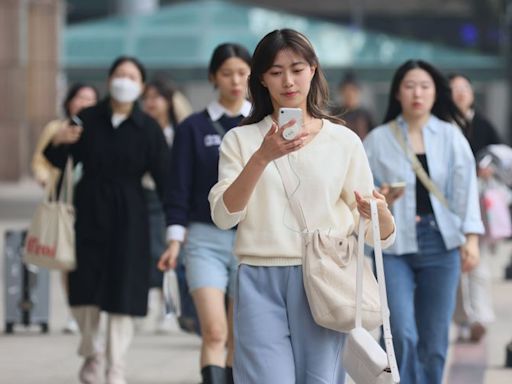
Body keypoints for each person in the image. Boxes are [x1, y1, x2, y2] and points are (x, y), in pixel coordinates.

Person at [208, 29, 395, 384]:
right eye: (276, 72)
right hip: (260, 275)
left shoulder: (343, 140)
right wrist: (262, 157)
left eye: (297, 69)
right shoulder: (240, 140)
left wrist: (381, 214)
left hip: (326, 277)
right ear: (261, 79)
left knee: (321, 379)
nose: (288, 81)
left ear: (313, 70)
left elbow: (378, 235)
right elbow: (223, 215)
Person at [43, 56, 171, 384]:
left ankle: (116, 365)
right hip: (89, 209)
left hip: (131, 214)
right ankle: (91, 350)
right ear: (109, 79)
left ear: (141, 86)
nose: (124, 81)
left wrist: (176, 226)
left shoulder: (148, 128)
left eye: (131, 76)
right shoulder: (87, 118)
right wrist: (57, 141)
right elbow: (58, 160)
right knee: (85, 289)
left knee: (123, 291)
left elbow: (166, 179)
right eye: (119, 74)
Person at [363, 60, 484, 384]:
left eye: (425, 86)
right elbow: (360, 191)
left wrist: (470, 240)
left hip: (440, 243)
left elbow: (466, 191)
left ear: (435, 94)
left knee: (433, 341)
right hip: (392, 244)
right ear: (397, 93)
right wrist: (380, 199)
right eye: (409, 85)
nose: (417, 92)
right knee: (400, 333)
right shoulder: (376, 140)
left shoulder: (451, 136)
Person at [157, 43, 252, 384]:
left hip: (252, 240)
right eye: (227, 74)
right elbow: (177, 189)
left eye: (242, 73)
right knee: (214, 331)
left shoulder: (262, 125)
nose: (235, 81)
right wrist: (174, 241)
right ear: (214, 77)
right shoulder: (192, 128)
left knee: (240, 337)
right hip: (204, 238)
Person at [31, 82, 99, 334]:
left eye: (91, 99)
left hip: (93, 201)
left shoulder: (99, 129)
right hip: (64, 199)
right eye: (80, 98)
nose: (85, 103)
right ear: (70, 101)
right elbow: (40, 158)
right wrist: (43, 176)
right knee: (68, 257)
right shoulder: (56, 128)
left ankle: (92, 308)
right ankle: (74, 311)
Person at [449, 73, 502, 342]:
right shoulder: (440, 127)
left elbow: (501, 156)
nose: (460, 93)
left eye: (464, 88)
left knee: (477, 263)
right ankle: (464, 319)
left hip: (478, 204)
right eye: (454, 89)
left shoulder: (483, 125)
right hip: (448, 206)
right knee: (456, 266)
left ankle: (479, 316)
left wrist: (489, 169)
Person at [141, 78, 192, 333]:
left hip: (171, 199)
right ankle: (152, 306)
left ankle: (169, 309)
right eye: (147, 97)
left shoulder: (179, 130)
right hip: (144, 196)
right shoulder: (140, 129)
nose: (151, 102)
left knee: (168, 252)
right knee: (148, 251)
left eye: (156, 97)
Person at [330, 71, 374, 139]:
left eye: (353, 90)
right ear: (341, 92)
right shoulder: (335, 114)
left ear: (358, 91)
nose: (350, 94)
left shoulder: (365, 114)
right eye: (346, 90)